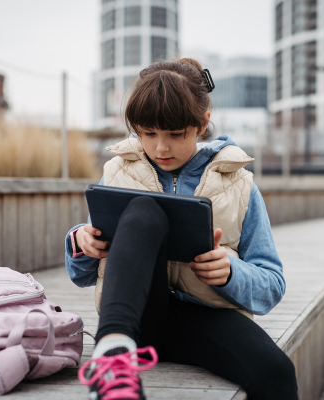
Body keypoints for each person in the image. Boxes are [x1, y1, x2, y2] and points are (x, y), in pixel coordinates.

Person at [65, 57, 298, 400]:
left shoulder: (240, 184)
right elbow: (81, 275)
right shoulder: (117, 172)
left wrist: (231, 272)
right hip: (135, 317)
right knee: (142, 208)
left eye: (176, 134)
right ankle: (112, 355)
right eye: (148, 133)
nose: (161, 147)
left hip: (207, 318)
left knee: (277, 372)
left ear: (202, 123)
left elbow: (272, 285)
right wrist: (81, 243)